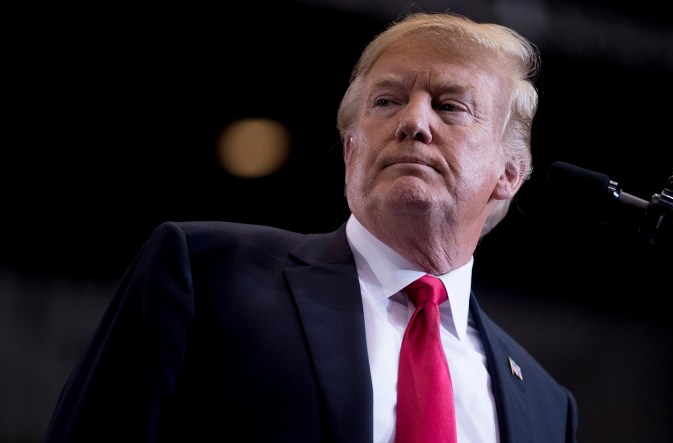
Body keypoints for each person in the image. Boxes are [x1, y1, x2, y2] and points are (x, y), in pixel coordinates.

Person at [45, 11, 578, 443]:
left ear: (509, 174)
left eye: (450, 106)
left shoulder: (548, 407)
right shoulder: (206, 272)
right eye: (386, 101)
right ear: (351, 151)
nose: (413, 122)